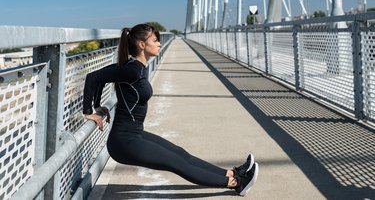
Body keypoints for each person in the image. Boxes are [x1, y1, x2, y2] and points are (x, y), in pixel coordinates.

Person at [82, 23, 259, 196]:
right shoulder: (132, 71)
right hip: (124, 142)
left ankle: (231, 173)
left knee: (182, 154)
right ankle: (236, 184)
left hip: (134, 133)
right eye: (155, 41)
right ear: (142, 45)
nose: (159, 44)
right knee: (177, 163)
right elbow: (93, 78)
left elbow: (99, 78)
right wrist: (89, 111)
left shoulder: (135, 67)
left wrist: (98, 105)